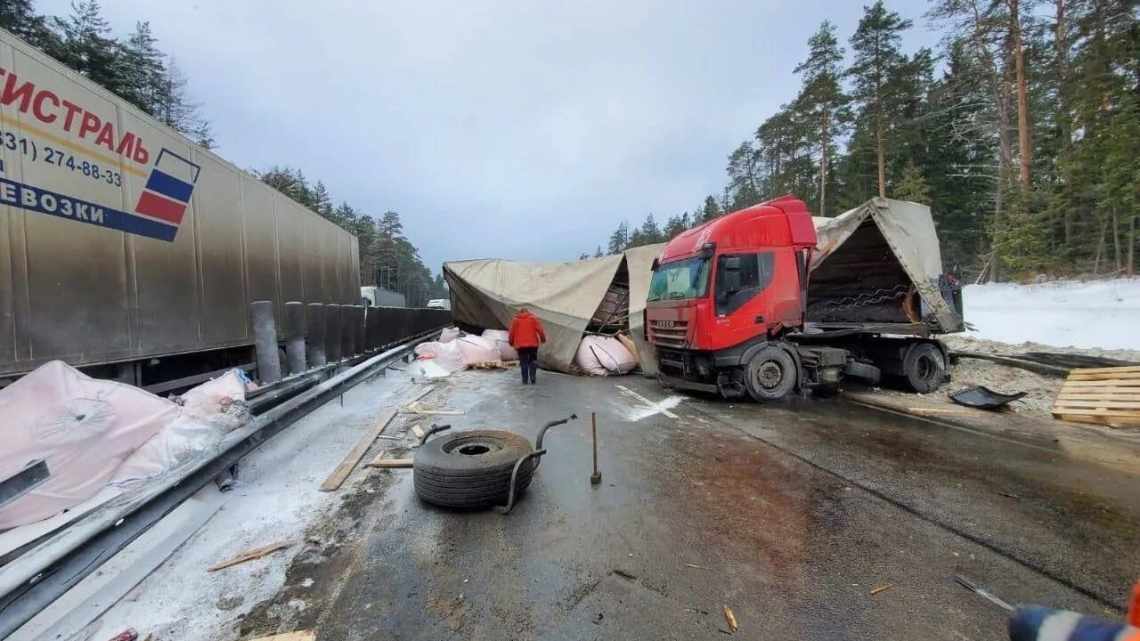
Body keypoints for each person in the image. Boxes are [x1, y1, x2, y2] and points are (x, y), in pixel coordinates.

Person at [508, 307, 546, 385]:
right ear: (528, 312)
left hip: (521, 346)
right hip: (533, 345)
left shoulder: (515, 320)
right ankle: (533, 378)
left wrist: (511, 342)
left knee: (523, 362)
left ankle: (525, 380)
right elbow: (540, 330)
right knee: (533, 361)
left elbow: (512, 333)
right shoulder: (533, 319)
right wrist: (543, 339)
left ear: (519, 312)